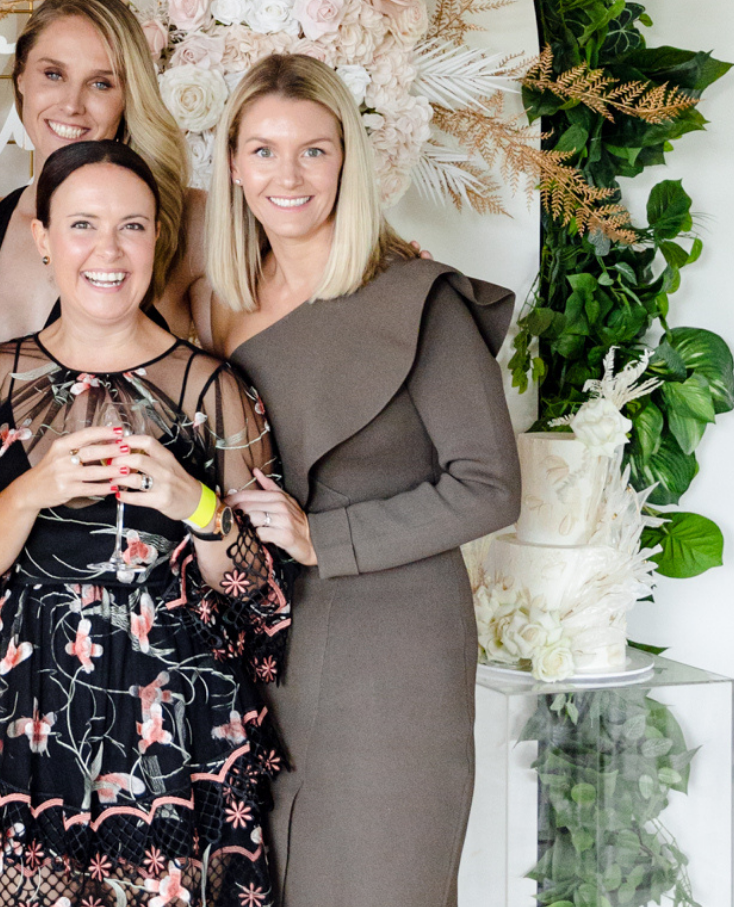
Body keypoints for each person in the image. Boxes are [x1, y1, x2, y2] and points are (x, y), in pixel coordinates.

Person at [0, 140, 293, 907]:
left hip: (173, 722)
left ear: (157, 238)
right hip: (28, 718)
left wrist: (195, 504)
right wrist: (32, 491)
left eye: (132, 226)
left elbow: (258, 590)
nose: (108, 250)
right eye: (82, 226)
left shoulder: (211, 386)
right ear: (43, 240)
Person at [197, 54, 521, 907]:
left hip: (391, 645)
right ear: (232, 165)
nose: (288, 176)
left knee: (380, 877)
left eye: (314, 150)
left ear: (348, 160)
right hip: (259, 648)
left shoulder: (414, 296)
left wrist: (322, 537)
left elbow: (490, 484)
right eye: (264, 151)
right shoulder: (216, 300)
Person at [0, 0, 202, 350]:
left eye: (100, 83)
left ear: (129, 96)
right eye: (53, 74)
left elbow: (241, 371)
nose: (71, 105)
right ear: (20, 78)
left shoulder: (191, 222)